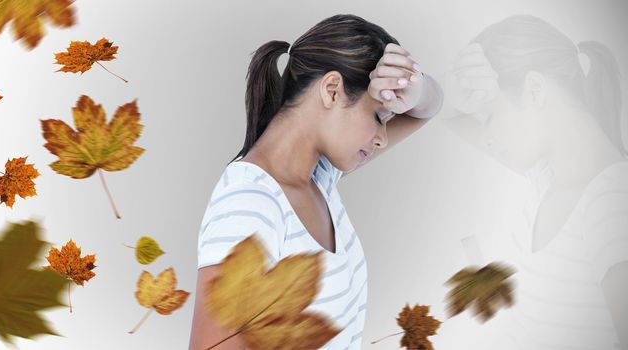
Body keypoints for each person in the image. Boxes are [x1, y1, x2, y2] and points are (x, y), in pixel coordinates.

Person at [188, 14, 443, 349]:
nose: (381, 137)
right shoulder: (250, 203)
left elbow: (427, 108)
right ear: (332, 89)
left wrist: (417, 86)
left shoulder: (319, 177)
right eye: (378, 116)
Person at [441, 14, 628, 350]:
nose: (490, 135)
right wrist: (454, 90)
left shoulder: (611, 204)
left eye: (492, 115)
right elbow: (448, 116)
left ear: (536, 90)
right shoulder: (549, 177)